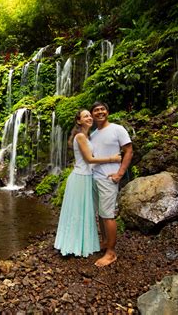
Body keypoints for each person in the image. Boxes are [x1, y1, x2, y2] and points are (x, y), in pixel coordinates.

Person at [54, 110, 121, 257]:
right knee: (77, 212)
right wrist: (112, 159)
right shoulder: (80, 137)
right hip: (80, 178)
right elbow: (90, 160)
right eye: (86, 116)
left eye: (90, 116)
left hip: (85, 177)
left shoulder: (87, 136)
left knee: (83, 211)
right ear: (79, 121)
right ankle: (73, 245)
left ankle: (80, 243)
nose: (90, 118)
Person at [90, 101, 133, 267]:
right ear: (92, 115)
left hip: (109, 178)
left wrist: (120, 173)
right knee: (101, 214)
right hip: (95, 177)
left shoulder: (117, 129)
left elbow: (128, 150)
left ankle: (111, 252)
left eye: (102, 109)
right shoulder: (93, 135)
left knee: (108, 215)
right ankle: (105, 242)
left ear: (107, 112)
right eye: (96, 110)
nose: (100, 112)